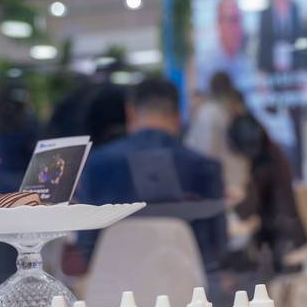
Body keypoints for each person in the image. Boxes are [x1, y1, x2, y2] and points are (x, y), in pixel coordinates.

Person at [76, 77, 227, 271]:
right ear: (178, 115)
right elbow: (218, 246)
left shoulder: (96, 164)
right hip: (187, 285)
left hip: (111, 283)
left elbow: (86, 245)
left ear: (130, 112)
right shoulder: (207, 167)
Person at [227, 111, 307, 274]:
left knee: (232, 261)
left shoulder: (264, 166)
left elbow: (249, 209)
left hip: (281, 244)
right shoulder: (273, 153)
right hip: (289, 236)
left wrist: (228, 208)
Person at [0, 83, 39, 283]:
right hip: (18, 185)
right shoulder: (27, 121)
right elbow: (33, 155)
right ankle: (20, 282)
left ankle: (0, 279)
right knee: (22, 239)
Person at [184, 72, 249, 201]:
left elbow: (205, 151)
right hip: (240, 179)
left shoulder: (209, 112)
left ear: (210, 87)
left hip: (219, 184)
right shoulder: (239, 110)